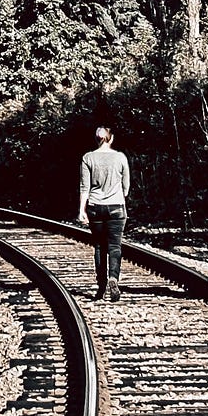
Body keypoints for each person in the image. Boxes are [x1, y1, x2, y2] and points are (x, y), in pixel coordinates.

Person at [77, 126, 130, 301]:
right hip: (116, 206)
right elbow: (126, 187)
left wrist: (81, 210)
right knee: (115, 246)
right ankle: (113, 278)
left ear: (96, 139)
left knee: (100, 247)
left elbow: (85, 187)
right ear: (111, 138)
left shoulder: (88, 158)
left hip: (95, 206)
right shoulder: (120, 157)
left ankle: (101, 287)